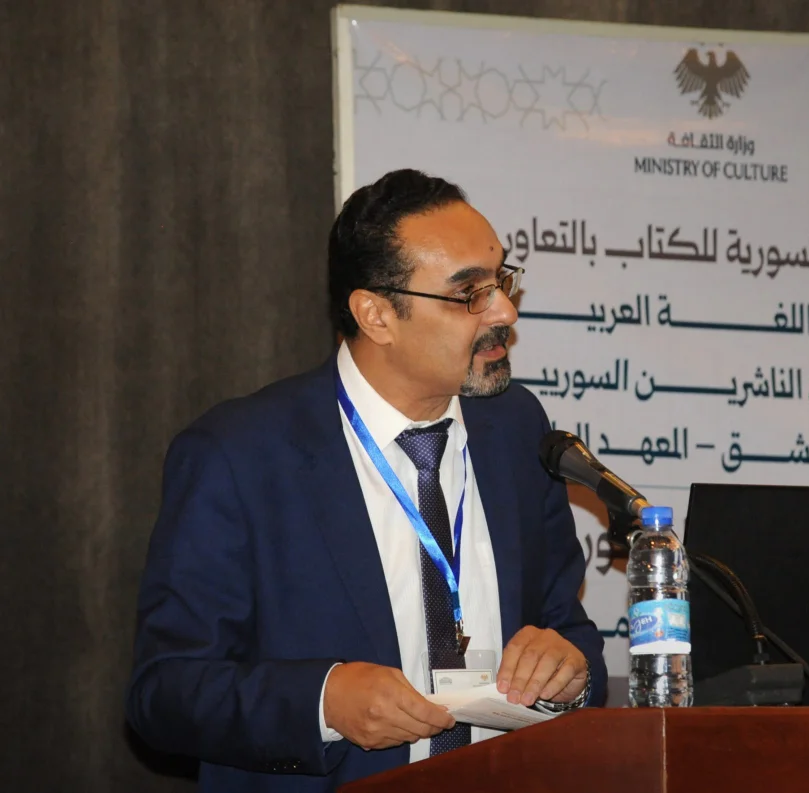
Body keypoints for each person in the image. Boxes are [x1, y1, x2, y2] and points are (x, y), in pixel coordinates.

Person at [125, 169, 605, 791]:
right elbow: (165, 692)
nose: (505, 311)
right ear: (376, 315)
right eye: (470, 293)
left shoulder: (516, 429)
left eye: (501, 281)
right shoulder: (239, 457)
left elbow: (568, 631)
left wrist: (571, 672)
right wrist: (324, 702)